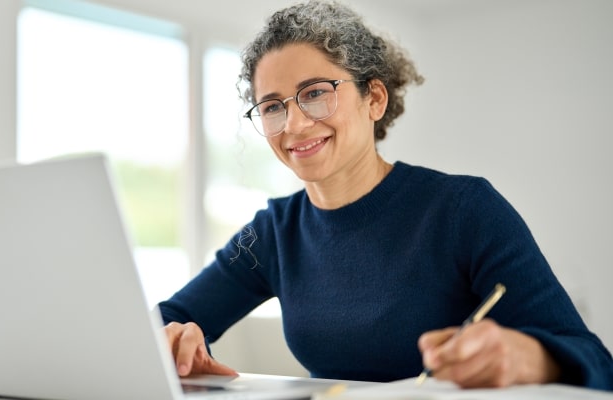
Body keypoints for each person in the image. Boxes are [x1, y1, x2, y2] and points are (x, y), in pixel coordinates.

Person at [158, 0, 613, 390]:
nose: (293, 124)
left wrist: (532, 359)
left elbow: (596, 362)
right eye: (273, 106)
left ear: (374, 99)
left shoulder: (464, 209)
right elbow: (162, 322)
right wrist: (177, 341)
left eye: (315, 93)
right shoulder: (271, 233)